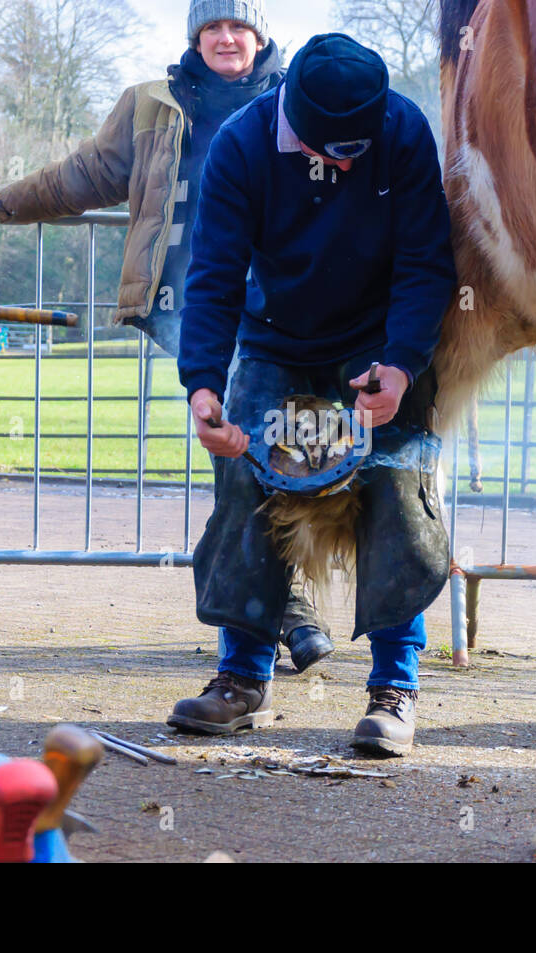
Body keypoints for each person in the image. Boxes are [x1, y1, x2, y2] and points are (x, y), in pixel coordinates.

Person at [0, 1, 336, 673]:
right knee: (245, 451)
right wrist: (4, 203)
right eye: (212, 26)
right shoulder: (151, 105)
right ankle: (279, 615)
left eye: (238, 25)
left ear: (260, 36)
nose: (225, 37)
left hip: (285, 306)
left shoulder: (295, 99)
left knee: (266, 453)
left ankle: (274, 615)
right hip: (190, 308)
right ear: (195, 36)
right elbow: (83, 175)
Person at [168, 33, 457, 755]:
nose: (352, 164)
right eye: (340, 153)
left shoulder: (403, 130)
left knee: (397, 487)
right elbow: (213, 275)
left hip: (379, 343)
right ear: (299, 122)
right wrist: (203, 384)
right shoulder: (243, 146)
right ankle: (241, 677)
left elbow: (426, 264)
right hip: (277, 340)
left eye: (363, 148)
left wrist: (399, 366)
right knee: (246, 480)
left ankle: (394, 687)